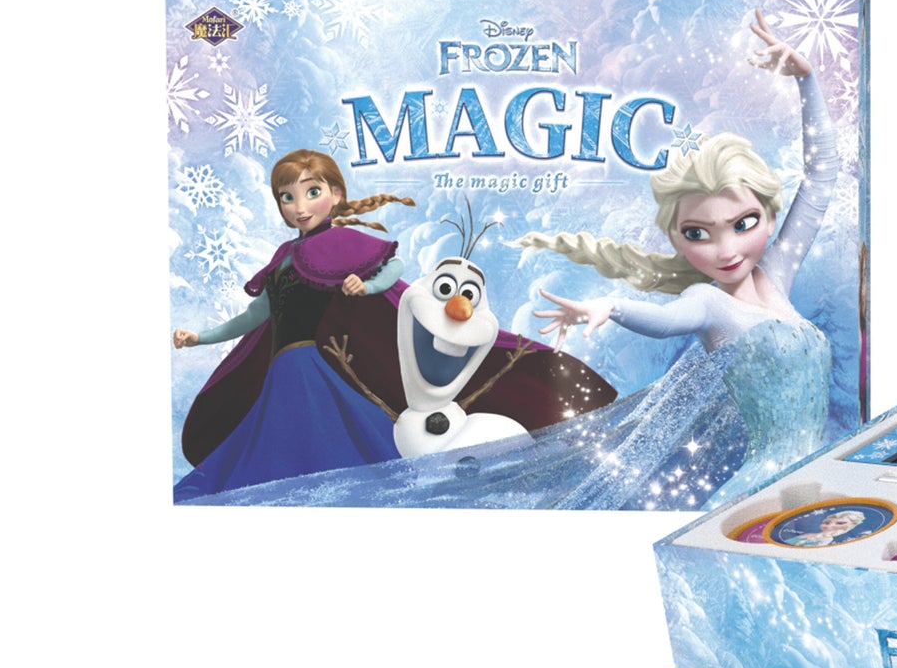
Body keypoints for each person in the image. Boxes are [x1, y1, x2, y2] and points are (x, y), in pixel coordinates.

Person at [488, 8, 840, 510]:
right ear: (677, 239)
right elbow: (667, 320)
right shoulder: (710, 304)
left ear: (768, 214)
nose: (726, 250)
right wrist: (610, 306)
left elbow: (821, 177)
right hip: (764, 491)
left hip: (816, 477)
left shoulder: (777, 275)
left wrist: (806, 80)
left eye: (743, 224)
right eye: (698, 233)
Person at [172, 151, 613, 500]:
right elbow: (256, 316)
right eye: (287, 198)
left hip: (313, 366)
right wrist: (200, 337)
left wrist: (367, 286)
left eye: (311, 192)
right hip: (280, 373)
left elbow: (393, 266)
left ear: (335, 194)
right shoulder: (282, 259)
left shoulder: (341, 240)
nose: (299, 207)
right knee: (273, 446)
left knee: (347, 446)